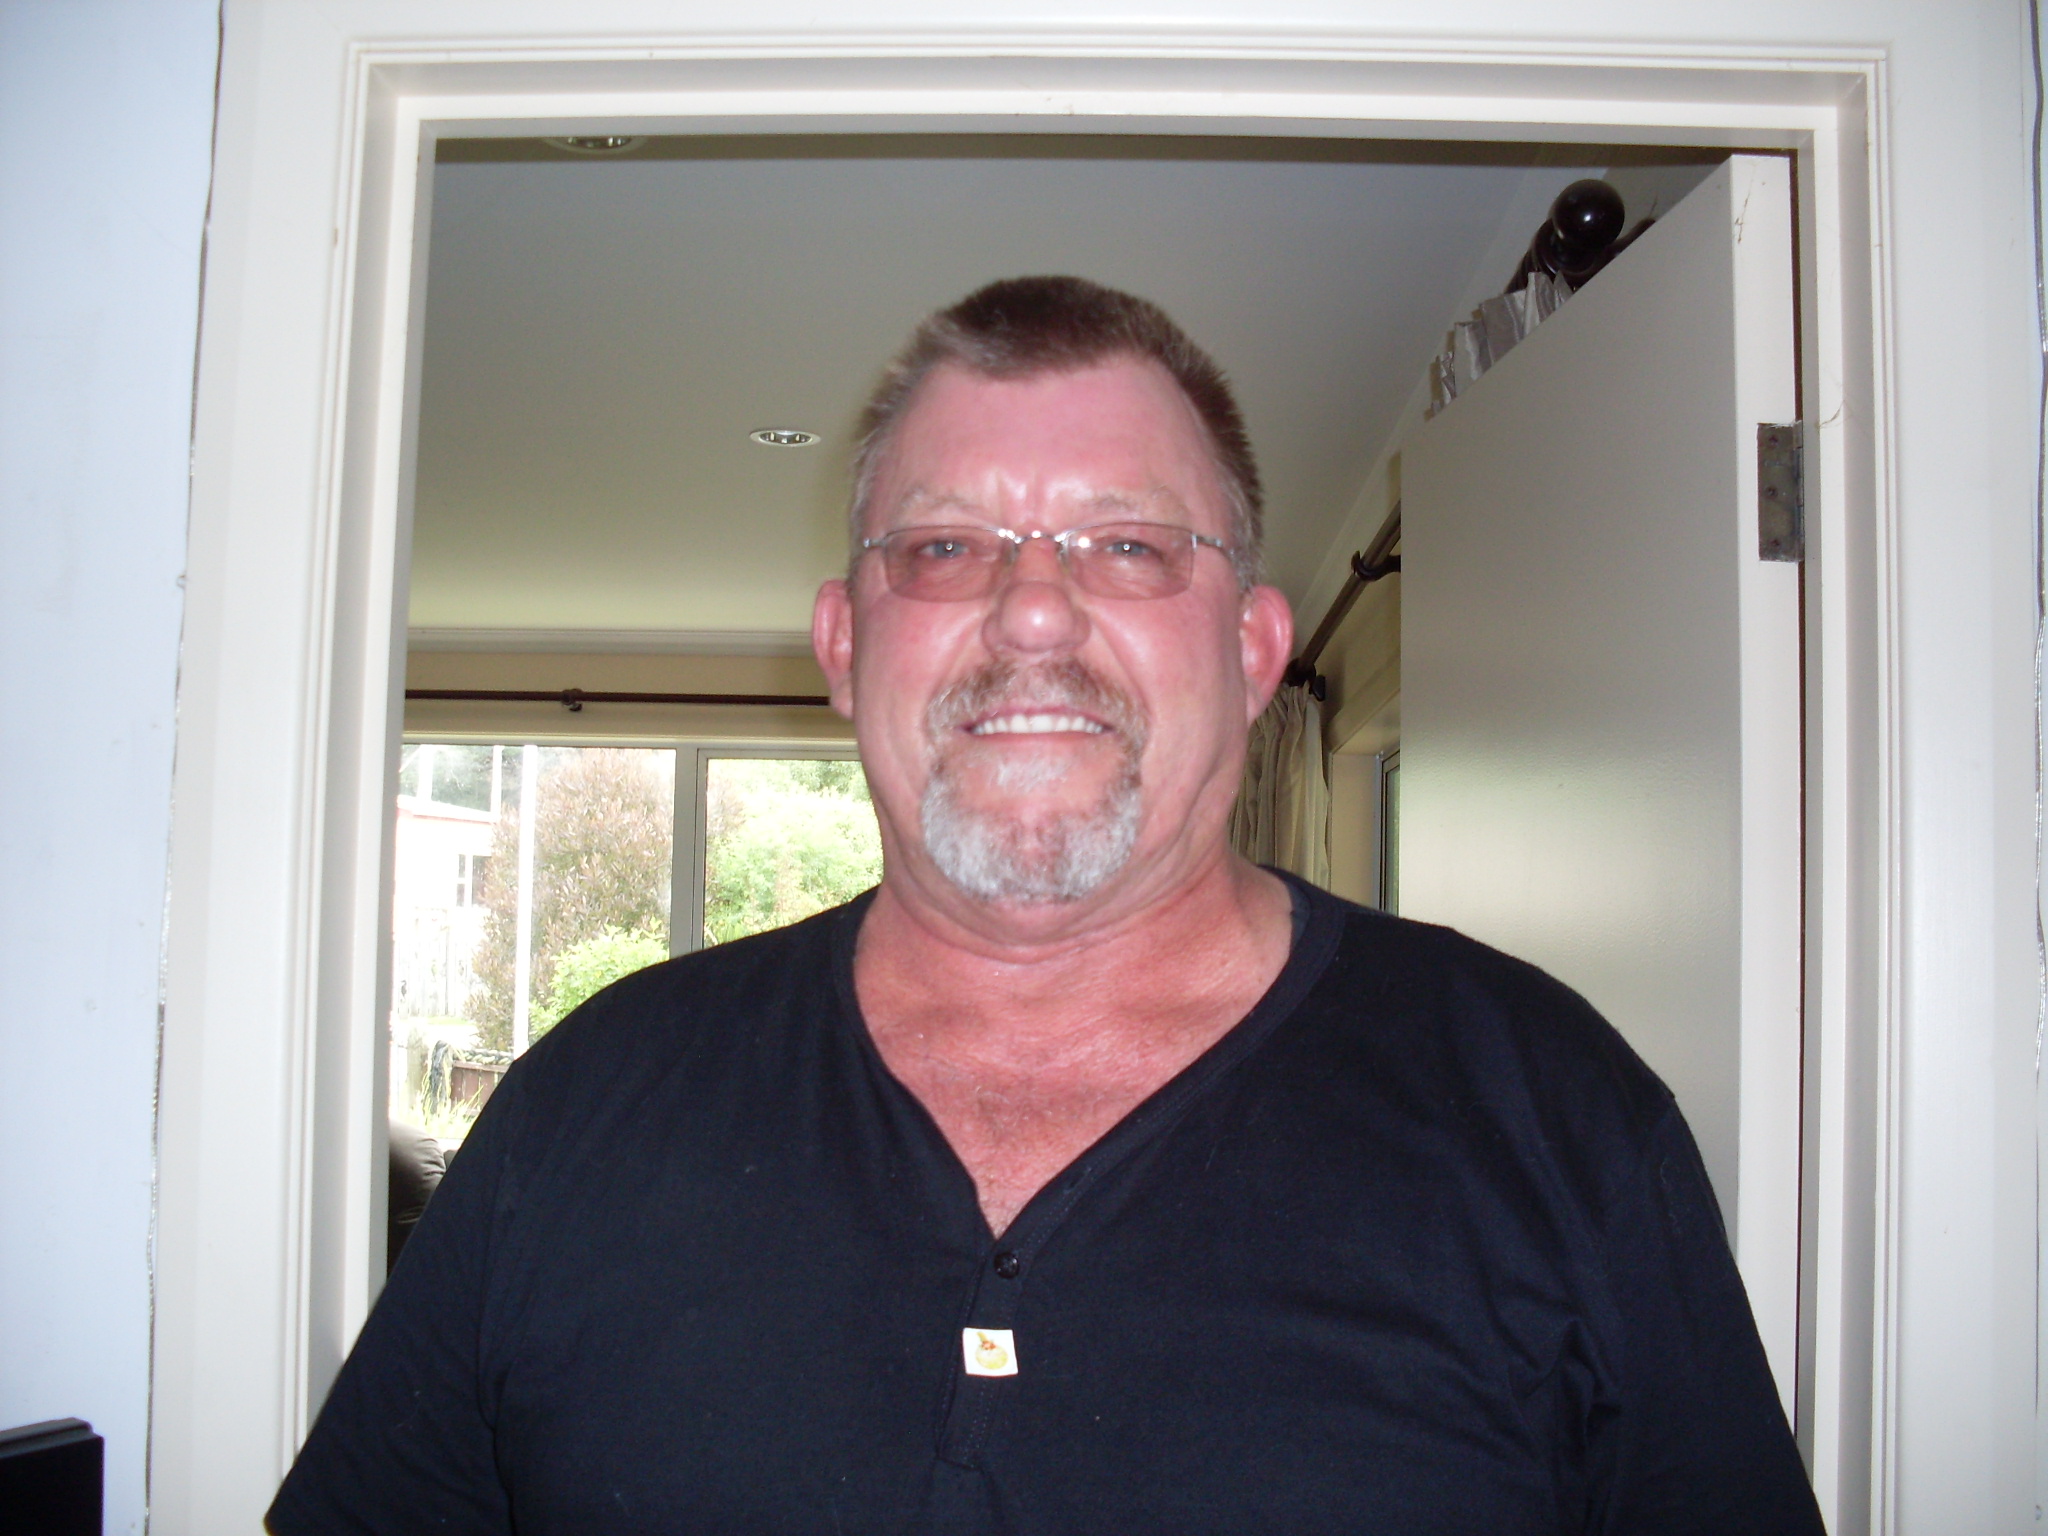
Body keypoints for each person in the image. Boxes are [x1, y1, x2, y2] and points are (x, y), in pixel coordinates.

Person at [268, 276, 1824, 1534]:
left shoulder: (1550, 1109)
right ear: (844, 645)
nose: (1029, 610)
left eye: (1128, 546)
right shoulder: (585, 1109)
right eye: (945, 546)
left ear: (1253, 648)